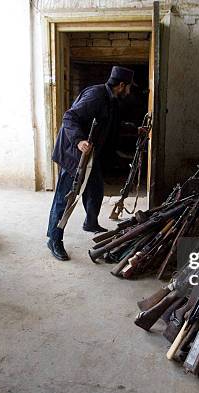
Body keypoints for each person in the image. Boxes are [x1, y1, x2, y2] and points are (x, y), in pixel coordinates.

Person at [46, 66, 134, 261]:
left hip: (91, 157)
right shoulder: (96, 96)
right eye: (128, 87)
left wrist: (136, 132)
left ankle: (90, 223)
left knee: (95, 189)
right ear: (121, 85)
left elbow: (111, 126)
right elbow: (69, 117)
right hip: (75, 155)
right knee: (65, 198)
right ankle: (54, 238)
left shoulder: (111, 99)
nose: (129, 91)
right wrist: (79, 141)